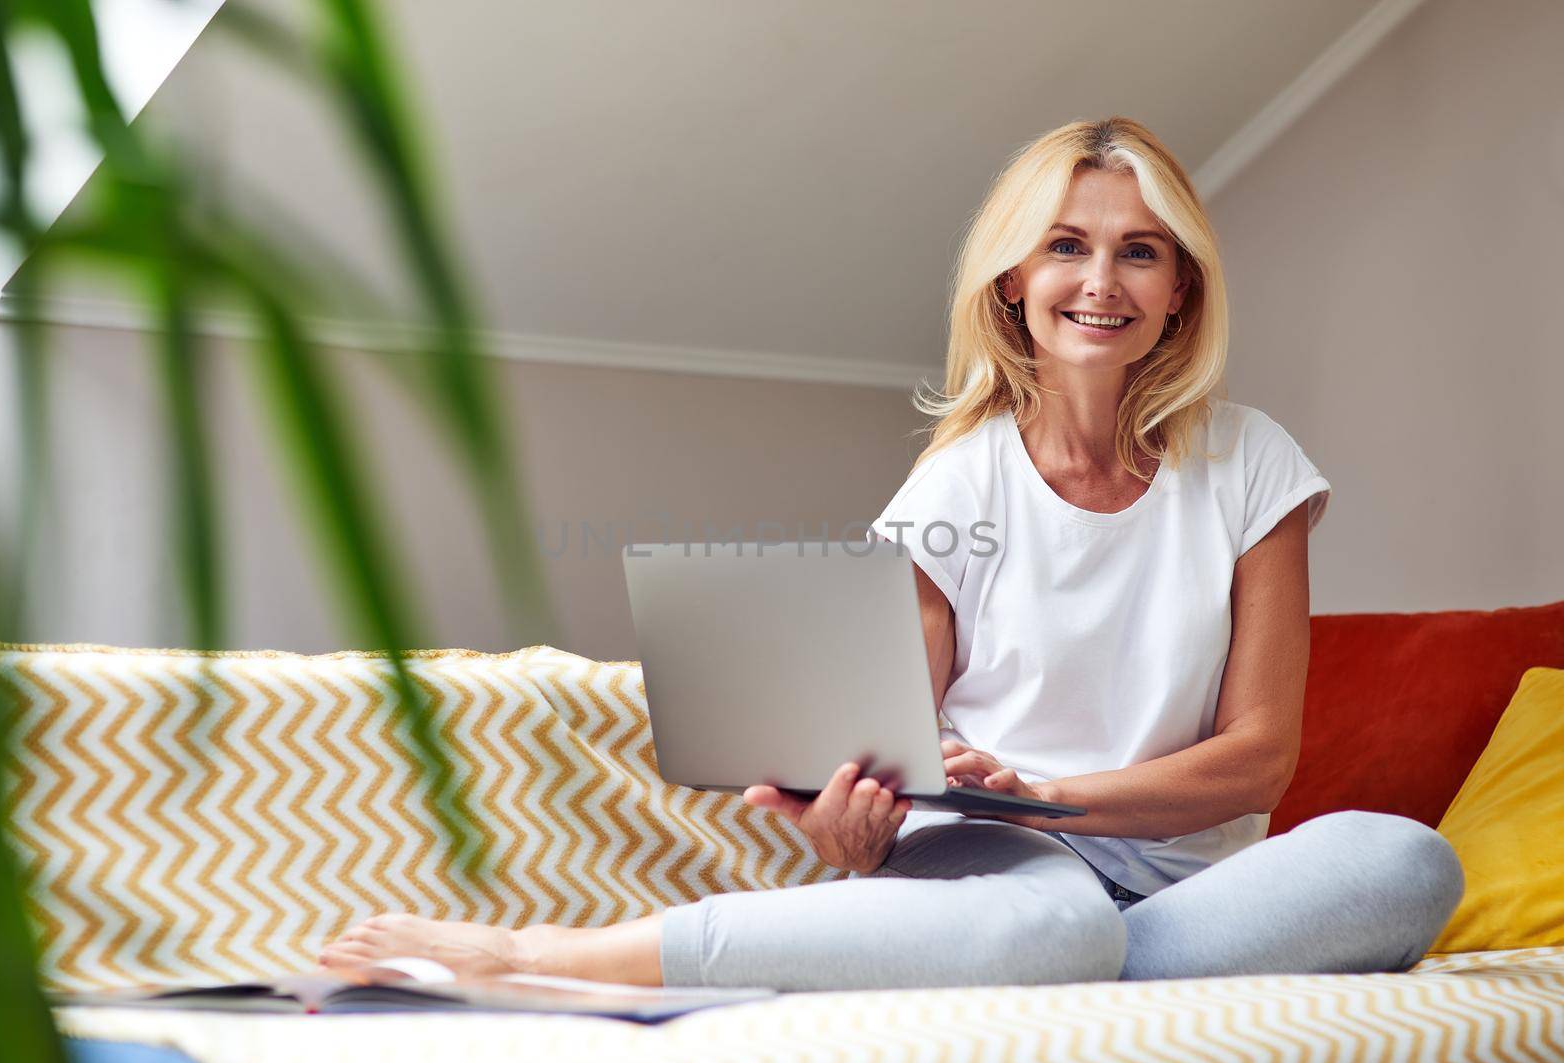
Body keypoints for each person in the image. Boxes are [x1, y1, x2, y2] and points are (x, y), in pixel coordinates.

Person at [317, 116, 1464, 992]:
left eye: (1140, 253)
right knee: (1051, 919)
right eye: (1066, 247)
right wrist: (851, 823)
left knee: (1405, 860)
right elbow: (888, 753)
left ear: (1181, 291)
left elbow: (1258, 762)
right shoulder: (958, 481)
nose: (1101, 283)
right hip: (1005, 867)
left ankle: (1054, 966)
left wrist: (1059, 796)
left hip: (1190, 883)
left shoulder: (1252, 463)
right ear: (1013, 282)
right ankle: (536, 954)